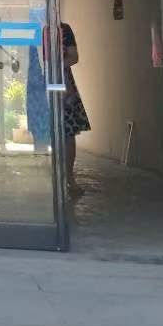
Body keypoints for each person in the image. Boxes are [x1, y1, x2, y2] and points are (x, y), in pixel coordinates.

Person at [61, 22, 91, 197]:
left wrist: (55, 64)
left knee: (68, 132)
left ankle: (69, 177)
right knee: (44, 132)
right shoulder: (35, 27)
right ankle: (52, 177)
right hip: (39, 83)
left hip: (62, 84)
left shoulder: (64, 29)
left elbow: (74, 56)